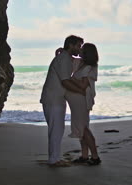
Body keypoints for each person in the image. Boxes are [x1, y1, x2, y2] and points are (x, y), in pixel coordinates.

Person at [40, 35, 85, 166]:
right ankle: (54, 160)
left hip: (54, 98)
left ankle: (54, 158)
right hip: (54, 99)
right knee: (56, 130)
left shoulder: (65, 57)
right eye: (78, 46)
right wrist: (80, 91)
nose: (79, 49)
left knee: (56, 130)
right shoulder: (64, 59)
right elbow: (65, 81)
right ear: (71, 45)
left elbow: (84, 59)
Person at [65, 43, 101, 165]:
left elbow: (83, 86)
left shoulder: (88, 68)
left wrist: (68, 80)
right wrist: (62, 51)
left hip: (81, 101)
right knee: (82, 128)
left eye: (82, 48)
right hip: (78, 102)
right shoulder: (81, 64)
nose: (79, 49)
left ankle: (95, 157)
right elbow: (70, 58)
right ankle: (85, 156)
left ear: (86, 53)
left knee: (83, 129)